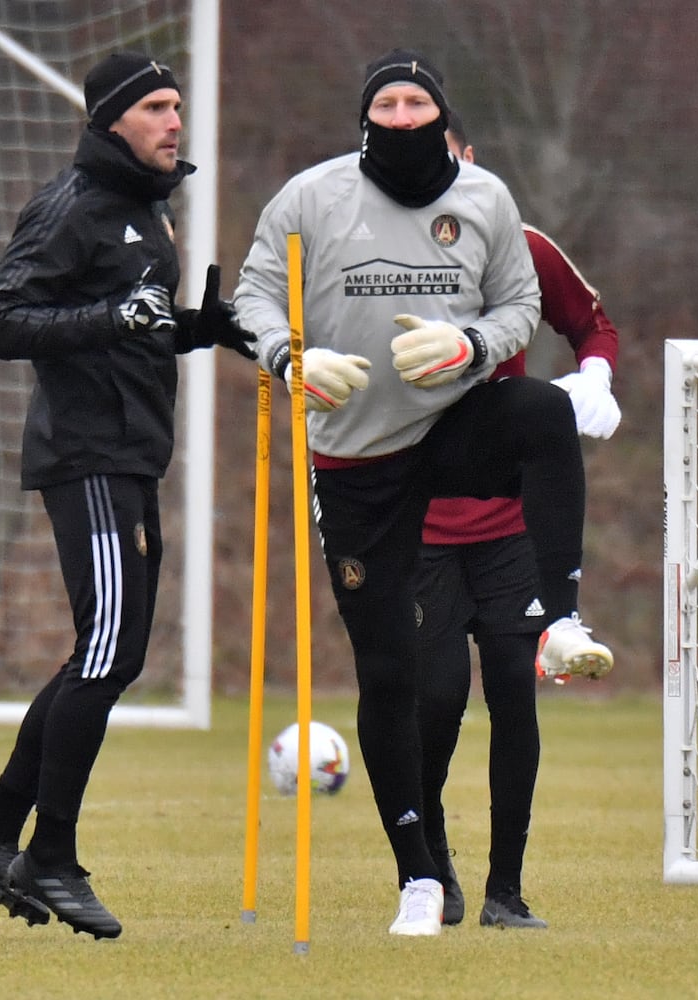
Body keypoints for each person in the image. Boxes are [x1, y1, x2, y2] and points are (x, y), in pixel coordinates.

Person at [233, 48, 612, 936]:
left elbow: (525, 306)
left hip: (452, 434)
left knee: (539, 414)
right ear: (365, 117)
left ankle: (562, 619)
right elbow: (251, 296)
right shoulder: (309, 198)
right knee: (397, 678)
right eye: (387, 101)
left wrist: (473, 348)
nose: (402, 115)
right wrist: (291, 356)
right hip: (361, 460)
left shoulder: (488, 200)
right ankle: (418, 875)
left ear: (444, 119)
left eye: (417, 101)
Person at [0, 51, 255, 940]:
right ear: (114, 118)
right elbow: (1, 323)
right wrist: (113, 318)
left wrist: (203, 329)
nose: (174, 122)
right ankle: (50, 856)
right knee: (107, 655)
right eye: (157, 107)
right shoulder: (73, 206)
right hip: (87, 457)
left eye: (177, 106)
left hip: (128, 456)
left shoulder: (145, 210)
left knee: (108, 654)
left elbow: (138, 332)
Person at [414, 111, 621, 931]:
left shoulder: (524, 246)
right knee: (433, 704)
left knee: (514, 702)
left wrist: (594, 377)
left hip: (509, 529)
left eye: (453, 159)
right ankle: (430, 873)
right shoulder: (379, 265)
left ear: (475, 162)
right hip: (421, 526)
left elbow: (591, 322)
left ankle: (506, 889)